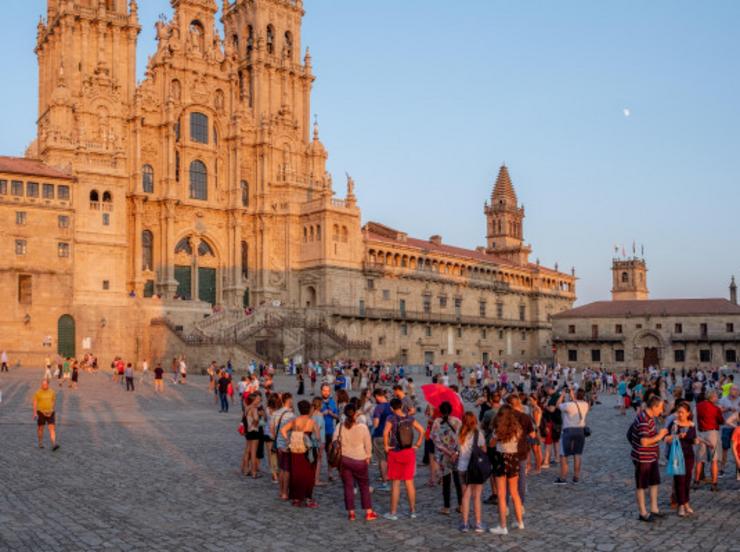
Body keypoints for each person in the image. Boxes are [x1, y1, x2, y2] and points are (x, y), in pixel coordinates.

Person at [383, 397, 425, 520]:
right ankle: (412, 511)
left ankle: (393, 512)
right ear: (401, 406)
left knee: (395, 483)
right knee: (409, 482)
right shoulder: (410, 418)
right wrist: (417, 444)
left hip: (395, 452)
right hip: (409, 452)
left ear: (391, 408)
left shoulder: (391, 418)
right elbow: (422, 431)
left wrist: (386, 446)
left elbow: (385, 433)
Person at [628, 395, 668, 522]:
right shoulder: (644, 419)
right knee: (641, 485)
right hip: (643, 458)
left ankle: (654, 509)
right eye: (660, 408)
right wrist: (660, 436)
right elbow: (644, 441)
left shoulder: (650, 417)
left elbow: (630, 434)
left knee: (654, 482)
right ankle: (643, 513)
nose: (661, 411)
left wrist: (660, 437)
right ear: (654, 407)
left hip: (651, 456)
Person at [334, 404, 378, 521]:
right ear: (355, 414)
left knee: (348, 486)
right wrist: (368, 456)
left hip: (344, 459)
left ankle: (351, 513)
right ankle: (368, 512)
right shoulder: (362, 428)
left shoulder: (340, 426)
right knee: (364, 486)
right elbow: (368, 445)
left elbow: (334, 442)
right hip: (359, 459)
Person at [489, 405, 524, 536]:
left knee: (502, 494)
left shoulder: (498, 430)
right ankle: (520, 521)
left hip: (500, 458)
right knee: (514, 492)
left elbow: (491, 444)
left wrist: (496, 439)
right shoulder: (517, 428)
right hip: (513, 458)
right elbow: (519, 439)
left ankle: (503, 526)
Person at [280, 400, 319, 508]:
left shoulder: (295, 420)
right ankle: (308, 498)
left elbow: (283, 430)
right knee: (308, 474)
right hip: (307, 450)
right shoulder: (312, 422)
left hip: (296, 449)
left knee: (296, 473)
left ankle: (297, 498)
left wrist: (288, 439)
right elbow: (318, 437)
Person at [430, 401, 462, 515]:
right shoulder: (457, 421)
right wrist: (456, 452)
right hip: (456, 455)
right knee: (458, 480)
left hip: (444, 456)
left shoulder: (437, 422)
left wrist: (447, 451)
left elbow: (435, 440)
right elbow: (462, 439)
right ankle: (461, 505)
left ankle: (446, 507)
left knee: (446, 481)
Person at [666, 402, 698, 517]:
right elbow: (667, 439)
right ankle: (680, 504)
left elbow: (693, 440)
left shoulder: (692, 425)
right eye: (678, 412)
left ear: (688, 413)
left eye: (682, 412)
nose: (680, 414)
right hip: (677, 455)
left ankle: (686, 502)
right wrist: (678, 436)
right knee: (679, 480)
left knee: (687, 479)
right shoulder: (674, 424)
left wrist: (696, 441)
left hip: (689, 455)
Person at [457, 412, 487, 533]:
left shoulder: (459, 433)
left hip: (462, 467)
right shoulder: (478, 433)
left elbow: (457, 448)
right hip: (476, 468)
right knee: (477, 496)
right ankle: (478, 523)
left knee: (465, 496)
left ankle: (465, 523)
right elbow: (484, 449)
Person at [554, 388, 589, 485]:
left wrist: (562, 395)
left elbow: (557, 405)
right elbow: (576, 402)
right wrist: (573, 395)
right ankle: (576, 477)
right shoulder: (586, 405)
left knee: (564, 455)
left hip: (568, 430)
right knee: (577, 454)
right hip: (580, 431)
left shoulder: (568, 405)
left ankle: (563, 477)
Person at [694, 390, 724, 491]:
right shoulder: (716, 408)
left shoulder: (698, 405)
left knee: (699, 459)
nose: (717, 399)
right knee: (714, 459)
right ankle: (714, 483)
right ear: (712, 397)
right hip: (712, 433)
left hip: (701, 433)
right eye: (716, 397)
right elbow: (721, 421)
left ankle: (696, 481)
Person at [272, 393, 295, 501]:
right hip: (286, 445)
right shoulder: (291, 415)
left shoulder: (275, 413)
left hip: (277, 444)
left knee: (281, 469)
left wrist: (277, 440)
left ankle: (281, 491)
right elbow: (294, 431)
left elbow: (272, 430)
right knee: (286, 470)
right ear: (289, 400)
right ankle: (285, 492)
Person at [371, 388, 392, 492]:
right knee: (388, 458)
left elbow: (375, 424)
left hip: (379, 434)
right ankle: (389, 477)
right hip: (390, 435)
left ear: (377, 396)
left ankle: (385, 482)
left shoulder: (378, 408)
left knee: (382, 459)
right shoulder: (390, 405)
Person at [242, 393, 265, 478]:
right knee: (254, 453)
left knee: (248, 451)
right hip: (254, 431)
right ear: (254, 400)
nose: (259, 400)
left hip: (248, 431)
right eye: (258, 399)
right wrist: (256, 423)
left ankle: (245, 469)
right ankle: (254, 472)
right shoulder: (254, 409)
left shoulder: (247, 408)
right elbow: (255, 419)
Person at [32, 380, 60, 451]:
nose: (44, 386)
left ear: (48, 385)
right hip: (41, 412)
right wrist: (35, 413)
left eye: (45, 384)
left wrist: (52, 409)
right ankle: (40, 443)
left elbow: (53, 401)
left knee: (52, 428)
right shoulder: (37, 392)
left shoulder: (52, 392)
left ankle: (54, 444)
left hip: (50, 412)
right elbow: (35, 403)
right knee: (41, 428)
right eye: (42, 384)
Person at [320, 384, 340, 481]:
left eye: (328, 391)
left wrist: (332, 414)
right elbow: (312, 416)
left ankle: (330, 473)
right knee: (318, 454)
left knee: (330, 453)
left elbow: (338, 417)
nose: (326, 392)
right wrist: (322, 413)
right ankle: (316, 474)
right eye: (324, 390)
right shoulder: (318, 402)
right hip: (319, 432)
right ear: (321, 391)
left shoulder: (332, 402)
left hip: (329, 431)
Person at [719, 386, 738, 477]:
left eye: (737, 390)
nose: (736, 392)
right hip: (726, 427)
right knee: (725, 449)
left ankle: (738, 470)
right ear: (730, 391)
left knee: (738, 449)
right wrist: (728, 409)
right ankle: (722, 469)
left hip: (737, 428)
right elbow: (719, 411)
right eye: (734, 390)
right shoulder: (723, 400)